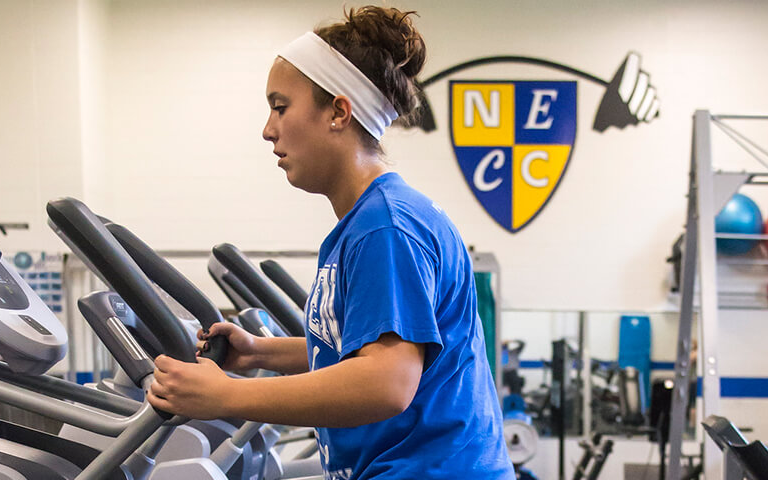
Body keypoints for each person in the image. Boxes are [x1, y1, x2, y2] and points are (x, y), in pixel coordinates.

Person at [147, 6, 514, 479]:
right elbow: (360, 348)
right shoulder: (370, 221)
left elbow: (386, 381)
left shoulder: (386, 227)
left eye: (281, 107)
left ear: (339, 112)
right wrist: (261, 352)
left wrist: (225, 395)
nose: (268, 129)